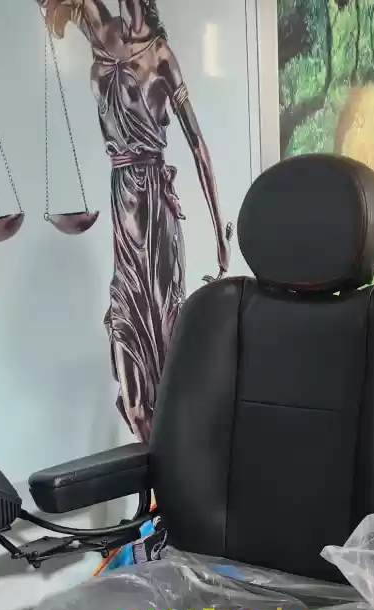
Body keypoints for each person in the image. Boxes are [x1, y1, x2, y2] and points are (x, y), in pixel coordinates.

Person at [42, 0, 230, 441]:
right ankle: (155, 458)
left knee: (167, 340)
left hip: (155, 208)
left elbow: (198, 145)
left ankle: (182, 456)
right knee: (130, 377)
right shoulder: (99, 32)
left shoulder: (160, 53)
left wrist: (220, 236)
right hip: (121, 205)